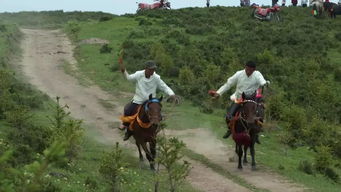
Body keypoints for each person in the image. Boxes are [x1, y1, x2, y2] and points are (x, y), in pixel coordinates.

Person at [119, 60, 178, 141]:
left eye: (154, 69)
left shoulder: (156, 78)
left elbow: (164, 87)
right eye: (151, 69)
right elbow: (129, 78)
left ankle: (156, 129)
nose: (152, 71)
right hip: (138, 100)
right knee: (128, 109)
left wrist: (172, 94)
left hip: (151, 101)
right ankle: (127, 129)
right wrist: (124, 71)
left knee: (157, 113)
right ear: (146, 69)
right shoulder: (139, 74)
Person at [210, 61, 268, 142]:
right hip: (239, 98)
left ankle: (256, 133)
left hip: (252, 100)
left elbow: (263, 82)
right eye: (247, 69)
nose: (248, 72)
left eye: (251, 70)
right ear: (245, 67)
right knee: (229, 116)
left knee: (260, 115)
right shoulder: (239, 74)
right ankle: (230, 129)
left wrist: (265, 84)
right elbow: (228, 84)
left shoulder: (257, 74)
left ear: (254, 70)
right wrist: (218, 93)